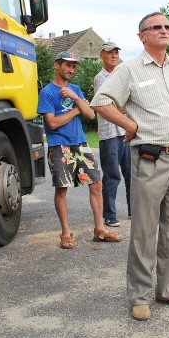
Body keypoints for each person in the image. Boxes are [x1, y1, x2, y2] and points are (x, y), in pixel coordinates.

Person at [92, 12, 169, 321]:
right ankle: (140, 296)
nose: (164, 30)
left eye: (168, 26)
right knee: (144, 229)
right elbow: (101, 102)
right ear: (142, 36)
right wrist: (129, 124)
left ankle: (168, 289)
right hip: (150, 157)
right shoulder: (129, 69)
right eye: (156, 27)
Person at [38, 50, 122, 248]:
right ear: (57, 66)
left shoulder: (75, 88)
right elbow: (52, 123)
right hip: (60, 145)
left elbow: (91, 115)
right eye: (67, 65)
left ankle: (99, 229)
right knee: (62, 188)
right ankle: (66, 233)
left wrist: (76, 98)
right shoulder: (47, 92)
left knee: (96, 184)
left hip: (80, 143)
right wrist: (77, 109)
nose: (71, 69)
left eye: (74, 66)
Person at [93, 40, 132, 227]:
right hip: (109, 134)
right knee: (112, 175)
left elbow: (128, 101)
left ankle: (134, 210)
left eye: (116, 52)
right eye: (110, 53)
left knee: (131, 174)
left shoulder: (121, 76)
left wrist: (123, 107)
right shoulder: (101, 78)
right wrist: (124, 108)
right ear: (102, 55)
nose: (114, 55)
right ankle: (109, 215)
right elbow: (108, 105)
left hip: (125, 132)